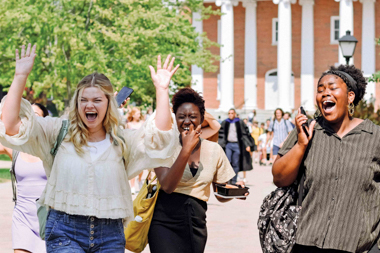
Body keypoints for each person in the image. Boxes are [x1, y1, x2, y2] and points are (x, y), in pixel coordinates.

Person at [0, 44, 179, 252]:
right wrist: (20, 75)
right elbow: (11, 125)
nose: (89, 105)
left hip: (110, 234)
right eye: (83, 100)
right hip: (64, 232)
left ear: (108, 104)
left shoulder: (123, 140)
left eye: (97, 100)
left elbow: (161, 136)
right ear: (77, 103)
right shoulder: (57, 131)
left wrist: (162, 90)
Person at [272, 65, 380, 253]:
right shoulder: (307, 130)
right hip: (307, 243)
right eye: (320, 90)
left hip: (358, 246)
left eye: (332, 88)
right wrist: (301, 145)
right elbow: (279, 178)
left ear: (350, 97)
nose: (324, 94)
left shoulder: (375, 137)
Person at [148, 88, 247, 253]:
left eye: (193, 116)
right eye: (181, 116)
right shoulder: (163, 145)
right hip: (163, 223)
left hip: (196, 224)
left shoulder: (214, 150)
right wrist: (185, 150)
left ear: (201, 118)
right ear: (175, 119)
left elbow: (219, 193)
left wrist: (236, 192)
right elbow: (167, 185)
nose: (187, 121)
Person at [1, 103, 49, 253]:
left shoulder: (53, 149)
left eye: (36, 115)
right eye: (27, 114)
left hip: (50, 221)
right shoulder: (15, 147)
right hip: (23, 220)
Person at [218, 108, 254, 184]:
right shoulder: (225, 122)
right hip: (228, 145)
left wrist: (247, 145)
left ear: (235, 114)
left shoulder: (240, 122)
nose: (230, 115)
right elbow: (221, 134)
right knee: (228, 162)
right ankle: (229, 179)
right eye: (229, 113)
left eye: (232, 113)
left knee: (236, 163)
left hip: (237, 145)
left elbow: (245, 133)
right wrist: (220, 144)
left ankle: (234, 180)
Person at [126, 107, 145, 193]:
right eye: (137, 113)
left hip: (141, 147)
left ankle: (140, 179)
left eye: (139, 113)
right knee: (133, 166)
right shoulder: (129, 124)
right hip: (132, 147)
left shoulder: (142, 123)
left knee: (141, 166)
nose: (139, 115)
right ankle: (132, 186)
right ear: (133, 115)